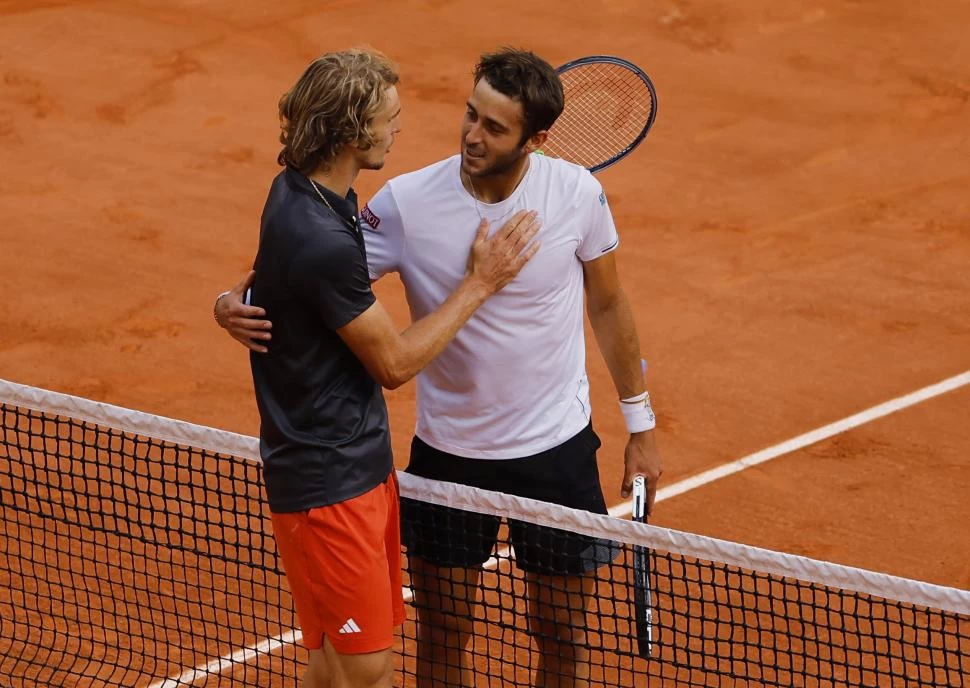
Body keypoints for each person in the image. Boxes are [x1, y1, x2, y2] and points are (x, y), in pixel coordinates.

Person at [216, 48, 661, 688]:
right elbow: (308, 275)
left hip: (557, 453)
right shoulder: (405, 203)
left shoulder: (577, 195)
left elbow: (610, 302)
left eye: (495, 127)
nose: (472, 136)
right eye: (470, 115)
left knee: (563, 640)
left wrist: (640, 425)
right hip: (449, 456)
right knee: (443, 637)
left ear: (535, 139)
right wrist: (234, 302)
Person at [240, 48, 540, 688]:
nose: (396, 129)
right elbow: (395, 363)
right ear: (351, 131)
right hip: (328, 480)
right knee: (366, 668)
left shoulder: (310, 193)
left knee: (337, 660)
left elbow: (278, 282)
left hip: (353, 466)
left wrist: (228, 301)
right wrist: (480, 284)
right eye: (387, 118)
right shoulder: (320, 236)